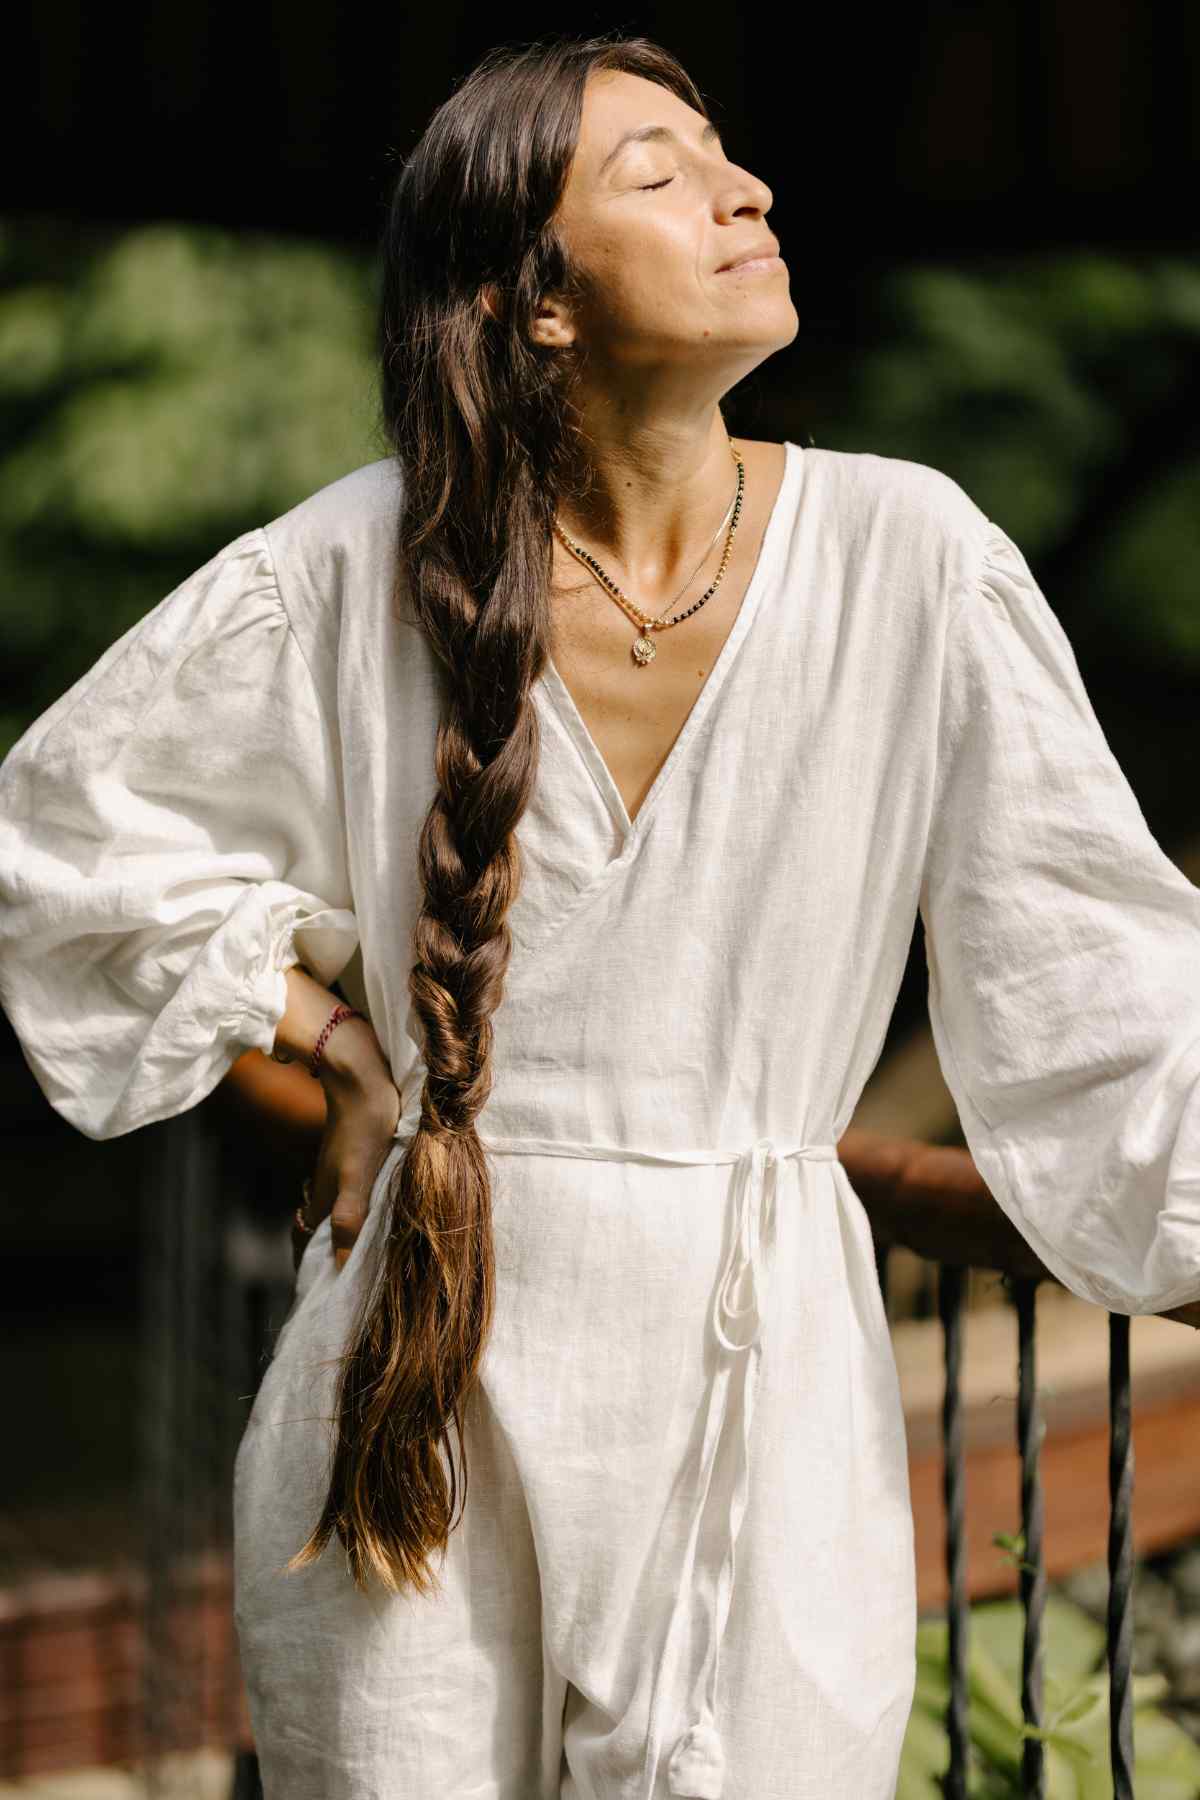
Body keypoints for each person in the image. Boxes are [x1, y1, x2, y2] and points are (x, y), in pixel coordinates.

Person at [2, 31, 1199, 1800]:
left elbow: (1103, 968)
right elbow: (62, 838)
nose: (746, 190)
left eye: (729, 153)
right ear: (534, 303)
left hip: (763, 1387)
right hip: (405, 1385)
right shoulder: (352, 566)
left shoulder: (915, 559)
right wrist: (335, 1042)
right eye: (661, 171)